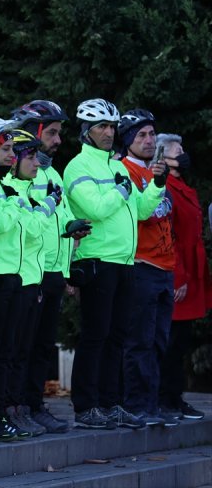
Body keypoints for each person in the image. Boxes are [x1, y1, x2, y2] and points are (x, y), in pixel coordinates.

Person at [64, 99, 165, 431]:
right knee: (96, 335)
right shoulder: (78, 167)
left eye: (111, 127)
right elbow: (94, 209)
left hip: (124, 262)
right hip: (97, 261)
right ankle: (86, 406)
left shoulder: (118, 167)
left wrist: (157, 186)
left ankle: (110, 403)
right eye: (101, 128)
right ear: (86, 132)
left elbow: (142, 210)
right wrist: (122, 191)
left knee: (118, 336)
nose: (109, 133)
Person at [0, 118, 60, 441]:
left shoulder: (3, 186)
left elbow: (21, 225)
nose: (11, 155)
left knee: (5, 352)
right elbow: (1, 224)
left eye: (11, 149)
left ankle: (1, 414)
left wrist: (18, 204)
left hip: (12, 275)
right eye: (5, 148)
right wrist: (20, 204)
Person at [11, 100, 87, 434]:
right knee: (21, 344)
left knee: (42, 346)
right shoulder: (23, 173)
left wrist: (74, 229)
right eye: (52, 133)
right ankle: (16, 405)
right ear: (33, 132)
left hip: (54, 270)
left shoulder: (52, 171)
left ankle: (34, 404)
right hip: (31, 272)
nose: (58, 140)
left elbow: (63, 215)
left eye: (58, 133)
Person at [118, 110, 177, 426]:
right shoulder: (124, 170)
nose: (149, 140)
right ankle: (137, 405)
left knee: (157, 341)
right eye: (140, 135)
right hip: (142, 264)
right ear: (127, 140)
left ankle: (152, 405)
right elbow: (141, 213)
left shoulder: (158, 170)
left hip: (165, 266)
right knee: (139, 340)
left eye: (152, 134)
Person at [2, 129, 61, 437]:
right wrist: (48, 206)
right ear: (15, 160)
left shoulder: (25, 189)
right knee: (10, 350)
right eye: (30, 157)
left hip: (33, 279)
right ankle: (7, 408)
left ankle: (20, 407)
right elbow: (30, 229)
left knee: (24, 349)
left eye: (38, 156)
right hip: (16, 280)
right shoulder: (9, 187)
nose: (37, 163)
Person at [157, 134, 210, 420]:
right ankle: (165, 398)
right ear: (163, 157)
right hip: (179, 270)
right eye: (178, 150)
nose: (184, 153)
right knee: (171, 341)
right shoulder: (165, 188)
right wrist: (178, 275)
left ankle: (174, 397)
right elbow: (169, 236)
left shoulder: (182, 187)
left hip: (192, 269)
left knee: (180, 341)